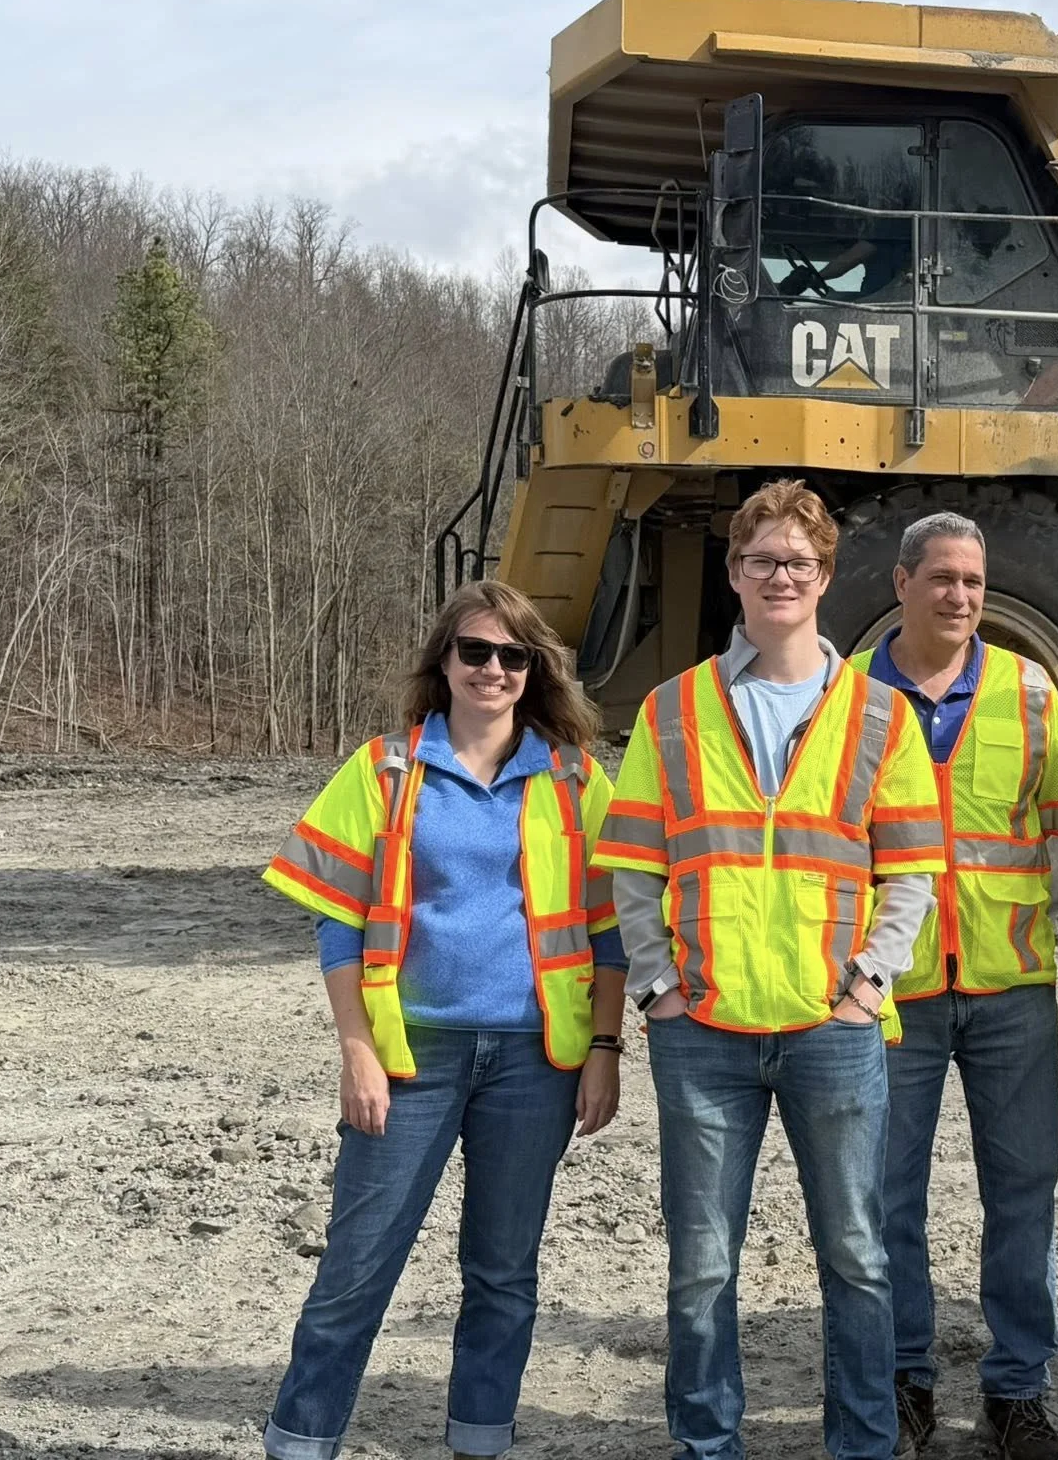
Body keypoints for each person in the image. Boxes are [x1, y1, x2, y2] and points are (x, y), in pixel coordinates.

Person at [593, 479, 945, 1460]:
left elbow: (910, 873)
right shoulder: (673, 709)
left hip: (830, 1034)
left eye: (797, 560)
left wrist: (867, 984)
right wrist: (658, 988)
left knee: (859, 1262)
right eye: (760, 560)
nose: (779, 575)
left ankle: (862, 1445)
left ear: (824, 575)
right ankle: (706, 1446)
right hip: (701, 1037)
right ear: (734, 574)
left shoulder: (877, 714)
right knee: (701, 1269)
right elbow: (631, 868)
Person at [259, 579, 625, 1460]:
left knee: (503, 1276)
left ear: (535, 670)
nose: (493, 670)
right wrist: (357, 1051)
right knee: (356, 1270)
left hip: (538, 1062)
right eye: (476, 652)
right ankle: (301, 1443)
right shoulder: (384, 769)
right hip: (411, 1055)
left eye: (513, 656)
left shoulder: (576, 778)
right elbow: (338, 924)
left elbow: (611, 931)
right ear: (445, 662)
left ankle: (479, 1441)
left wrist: (606, 1048)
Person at [849, 513, 1058, 1460]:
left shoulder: (1030, 693)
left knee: (1023, 1193)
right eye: (941, 577)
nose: (961, 595)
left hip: (1009, 988)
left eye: (974, 580)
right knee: (886, 1196)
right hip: (890, 994)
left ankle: (1017, 1393)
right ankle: (906, 1382)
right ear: (901, 583)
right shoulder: (848, 699)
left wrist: (1038, 926)